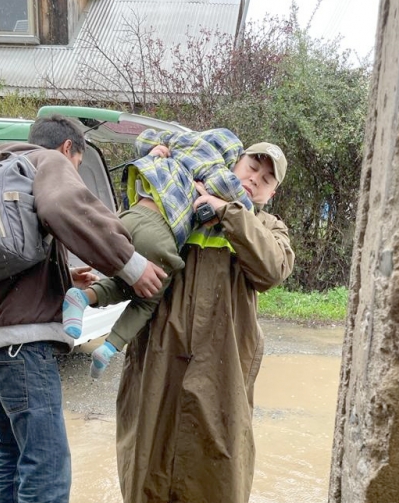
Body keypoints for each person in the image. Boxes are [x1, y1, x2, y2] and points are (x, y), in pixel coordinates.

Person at [0, 114, 166, 503]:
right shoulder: (49, 162)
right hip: (22, 342)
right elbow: (64, 206)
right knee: (48, 462)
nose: (72, 172)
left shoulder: (4, 167)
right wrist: (132, 265)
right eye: (77, 164)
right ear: (72, 150)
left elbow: (17, 250)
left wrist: (63, 271)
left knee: (11, 446)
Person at [114, 140, 294, 503]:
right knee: (149, 428)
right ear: (235, 163)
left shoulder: (266, 224)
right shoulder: (183, 194)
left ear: (271, 193)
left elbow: (272, 270)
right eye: (252, 167)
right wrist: (157, 167)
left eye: (266, 179)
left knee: (226, 439)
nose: (255, 178)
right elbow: (136, 226)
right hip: (161, 343)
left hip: (224, 356)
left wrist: (230, 212)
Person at [61, 128, 255, 378]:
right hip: (160, 235)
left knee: (126, 280)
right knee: (147, 298)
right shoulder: (215, 168)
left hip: (126, 220)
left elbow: (144, 137)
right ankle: (110, 347)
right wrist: (232, 206)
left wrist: (154, 151)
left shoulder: (175, 146)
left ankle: (82, 297)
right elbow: (242, 205)